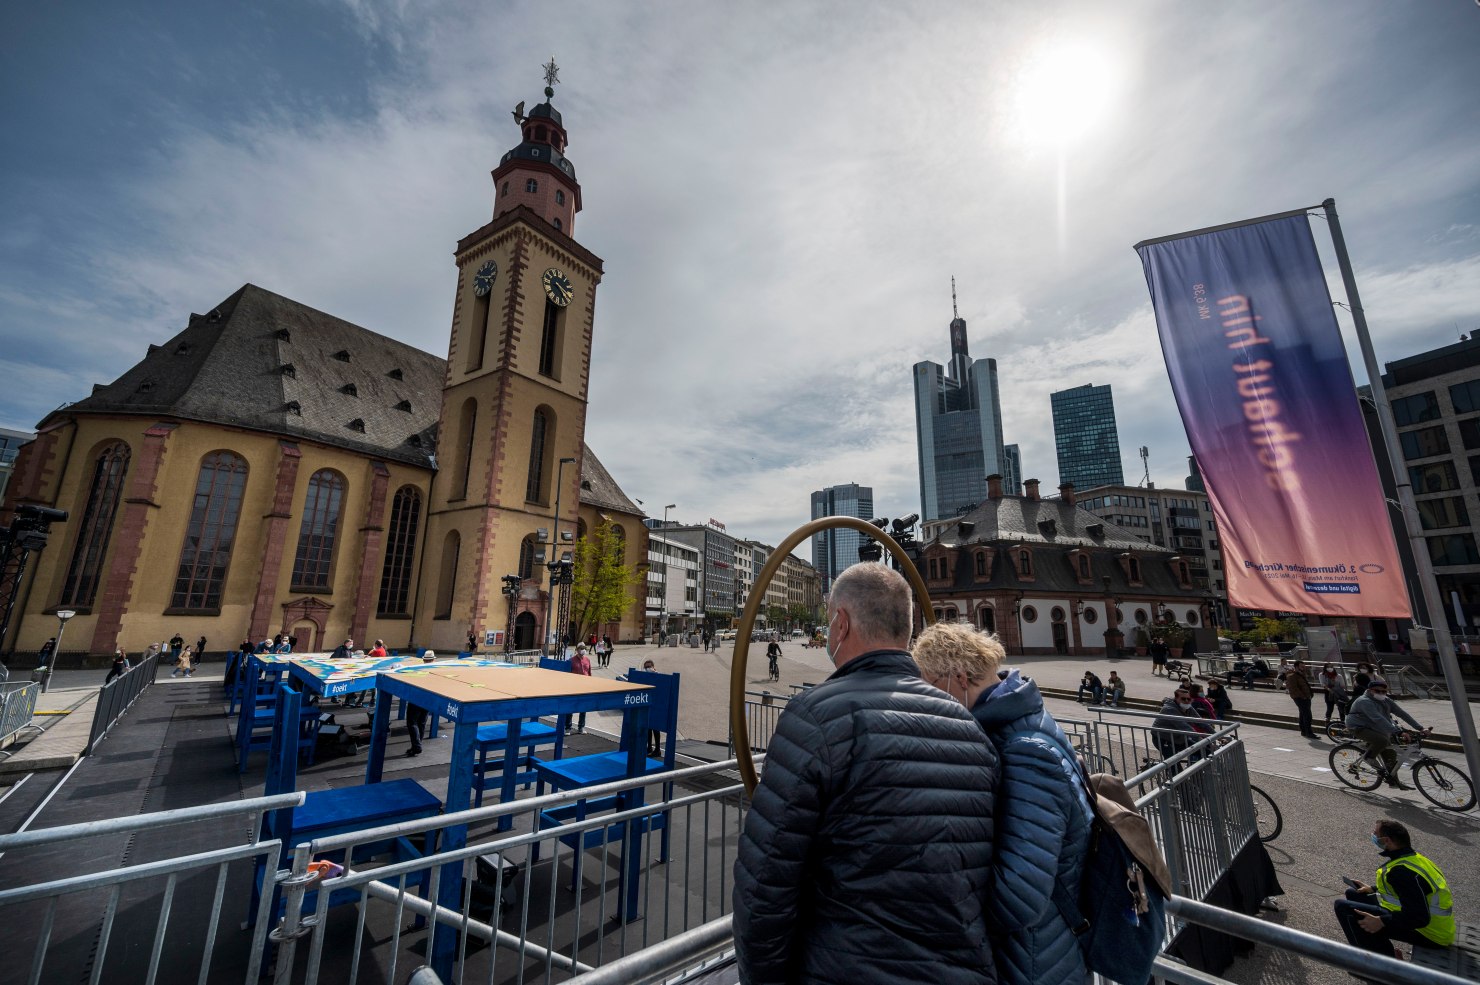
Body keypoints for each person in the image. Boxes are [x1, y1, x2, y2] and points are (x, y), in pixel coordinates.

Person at [733, 563, 997, 985]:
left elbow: (766, 880)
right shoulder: (969, 727)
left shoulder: (815, 718)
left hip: (845, 969)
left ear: (840, 624)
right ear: (909, 631)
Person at [913, 622, 1090, 985]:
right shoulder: (1016, 723)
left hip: (1034, 961)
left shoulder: (1026, 750)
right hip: (1036, 952)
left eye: (930, 685)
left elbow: (1020, 895)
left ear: (960, 678)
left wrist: (941, 916)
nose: (927, 698)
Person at [1333, 818, 1454, 957]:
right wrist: (1373, 889)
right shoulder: (1415, 859)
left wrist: (1381, 921)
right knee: (1354, 893)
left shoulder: (1401, 873)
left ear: (1387, 841)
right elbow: (1412, 892)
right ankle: (1384, 951)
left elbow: (1419, 917)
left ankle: (1377, 966)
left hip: (1430, 934)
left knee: (1342, 907)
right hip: (1432, 926)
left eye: (1375, 833)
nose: (1373, 835)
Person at [1345, 678, 1424, 789]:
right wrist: (1398, 732)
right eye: (1377, 691)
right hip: (1358, 727)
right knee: (1382, 741)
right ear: (1370, 690)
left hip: (1377, 727)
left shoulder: (1386, 700)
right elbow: (1378, 719)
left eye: (1384, 691)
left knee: (1391, 754)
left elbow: (1402, 713)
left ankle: (1393, 782)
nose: (1381, 693)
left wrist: (1420, 728)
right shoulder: (1364, 701)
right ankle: (1369, 757)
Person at [1152, 686, 1203, 759]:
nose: (1186, 701)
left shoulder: (1188, 707)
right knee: (1173, 764)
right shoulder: (1169, 709)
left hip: (1179, 738)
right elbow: (1184, 727)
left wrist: (1218, 737)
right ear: (1176, 698)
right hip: (1163, 739)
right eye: (1183, 699)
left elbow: (1202, 722)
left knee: (1205, 751)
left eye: (1189, 699)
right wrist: (1200, 739)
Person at [405, 650, 436, 756]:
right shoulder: (435, 671)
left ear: (424, 659)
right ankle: (417, 745)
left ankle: (417, 746)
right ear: (433, 659)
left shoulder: (418, 670)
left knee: (412, 722)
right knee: (422, 722)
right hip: (428, 700)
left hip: (416, 698)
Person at [1286, 659, 1317, 737]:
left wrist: (1309, 694)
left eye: (1304, 666)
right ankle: (1309, 732)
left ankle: (1304, 731)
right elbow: (1294, 689)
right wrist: (1303, 697)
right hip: (1300, 698)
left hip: (1306, 697)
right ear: (1296, 667)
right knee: (1307, 715)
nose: (1303, 668)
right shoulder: (1292, 676)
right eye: (1301, 666)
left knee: (1303, 714)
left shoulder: (1301, 674)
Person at [568, 644, 592, 733]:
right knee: (570, 708)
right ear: (577, 650)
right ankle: (567, 727)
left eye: (584, 648)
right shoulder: (571, 660)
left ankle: (581, 727)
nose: (583, 650)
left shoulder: (587, 660)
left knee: (583, 708)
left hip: (584, 687)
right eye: (581, 648)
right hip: (573, 687)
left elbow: (589, 673)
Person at [1320, 663, 1349, 727]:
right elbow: (1323, 684)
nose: (1330, 668)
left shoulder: (1338, 676)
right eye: (1328, 667)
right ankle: (1327, 722)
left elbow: (1342, 685)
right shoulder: (1322, 675)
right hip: (1329, 693)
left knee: (1341, 708)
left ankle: (1343, 723)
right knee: (1330, 708)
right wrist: (1329, 689)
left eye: (1331, 667)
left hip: (1338, 693)